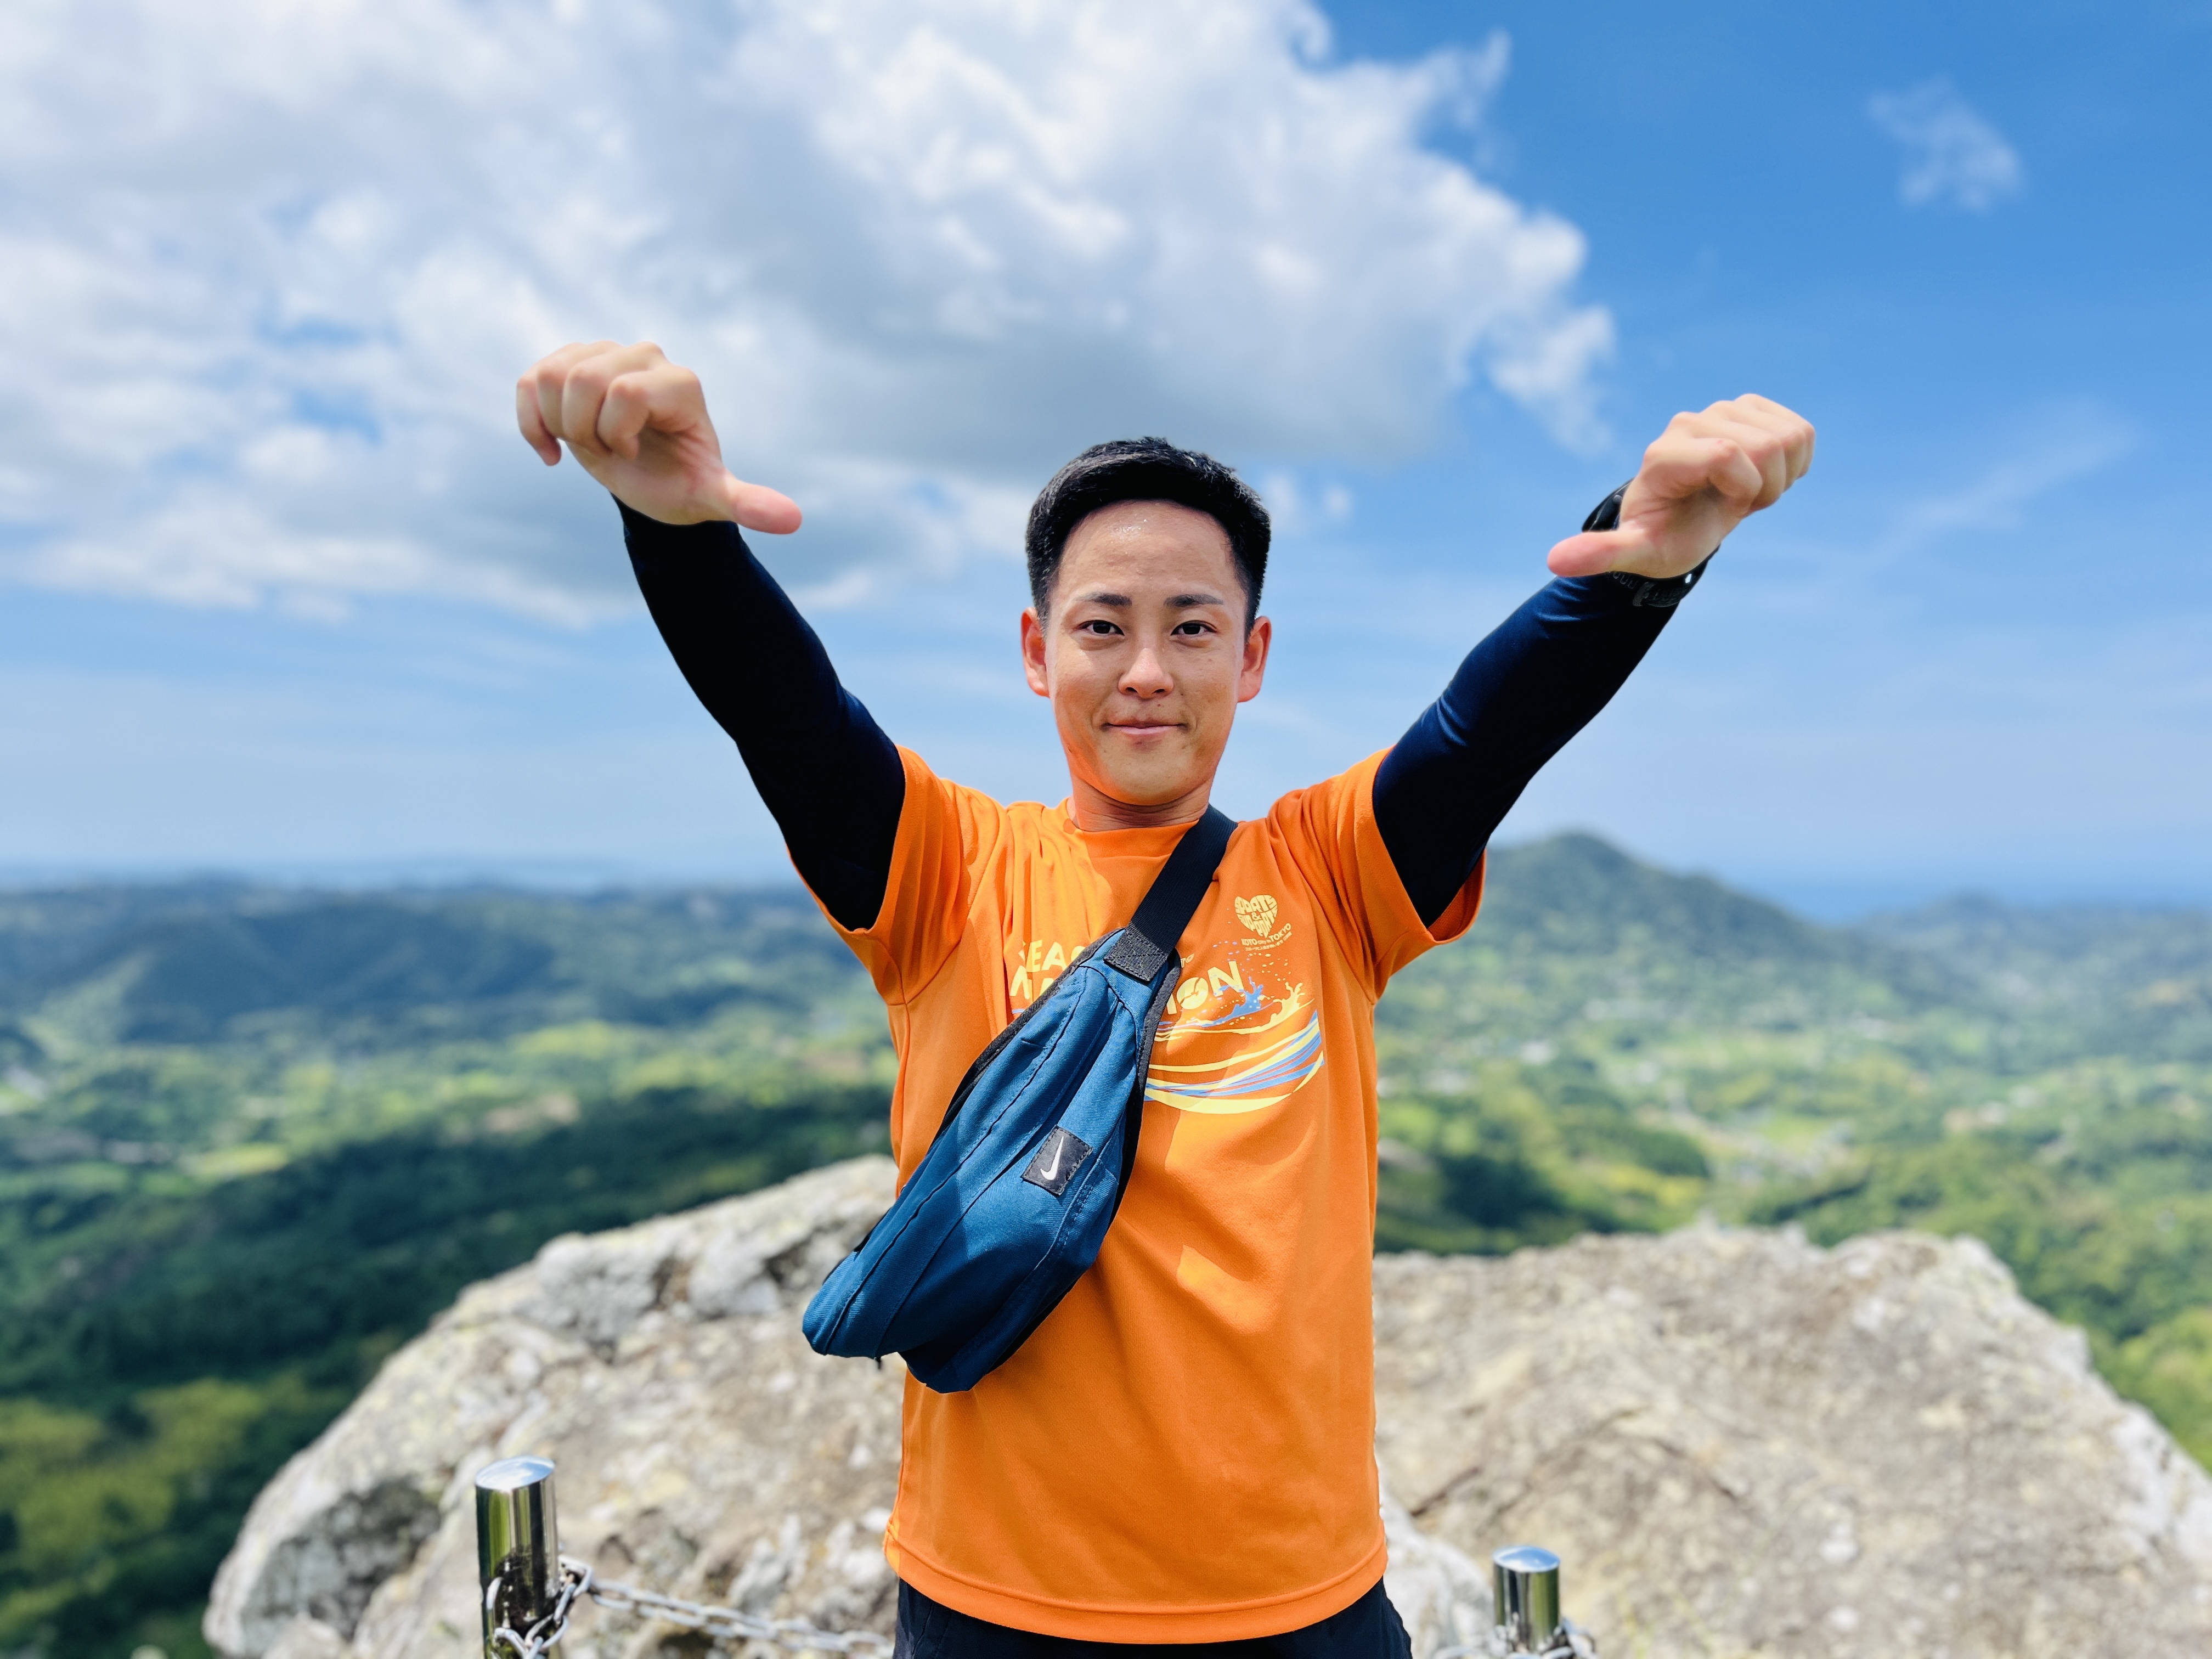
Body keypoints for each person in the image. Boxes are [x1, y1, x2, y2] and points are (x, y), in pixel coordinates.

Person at [516, 341, 1814, 1657]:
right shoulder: (950, 874)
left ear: (1250, 658)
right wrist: (676, 539)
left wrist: (1642, 568)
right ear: (1038, 651)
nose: (1147, 668)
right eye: (1103, 625)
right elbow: (787, 720)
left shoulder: (1329, 875)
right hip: (995, 1599)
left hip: (1300, 1604)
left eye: (1191, 626)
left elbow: (1484, 734)